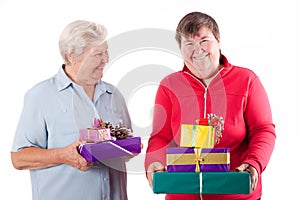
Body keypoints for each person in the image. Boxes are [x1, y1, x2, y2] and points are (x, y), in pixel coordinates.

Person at [145, 11, 276, 200]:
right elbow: (161, 137)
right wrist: (154, 162)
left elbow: (263, 130)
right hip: (182, 194)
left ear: (219, 41)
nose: (197, 50)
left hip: (236, 194)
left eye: (204, 40)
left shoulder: (247, 80)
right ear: (180, 48)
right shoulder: (169, 86)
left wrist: (254, 162)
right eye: (189, 43)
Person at [11, 20, 131, 200]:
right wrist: (63, 155)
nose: (105, 59)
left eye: (106, 51)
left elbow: (127, 146)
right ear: (71, 57)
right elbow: (19, 158)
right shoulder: (40, 96)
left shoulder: (113, 94)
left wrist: (128, 148)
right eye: (98, 54)